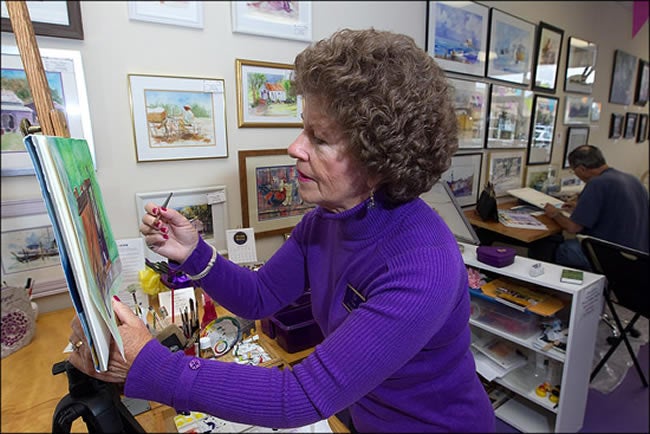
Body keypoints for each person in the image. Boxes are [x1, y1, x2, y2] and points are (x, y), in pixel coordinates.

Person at [68, 28, 495, 432]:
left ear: (379, 158)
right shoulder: (324, 221)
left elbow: (299, 396)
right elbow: (259, 298)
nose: (294, 146)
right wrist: (193, 252)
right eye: (303, 127)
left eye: (319, 137)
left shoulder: (423, 266)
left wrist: (151, 365)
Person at [543, 144, 649, 270]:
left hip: (613, 256)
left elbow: (573, 227)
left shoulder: (597, 183)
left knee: (565, 249)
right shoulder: (632, 180)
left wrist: (555, 214)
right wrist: (580, 207)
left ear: (582, 169)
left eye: (573, 170)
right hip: (640, 255)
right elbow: (615, 211)